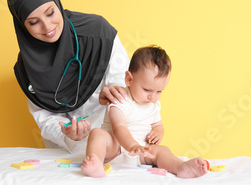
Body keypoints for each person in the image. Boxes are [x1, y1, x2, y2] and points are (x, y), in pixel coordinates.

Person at [7, 0, 128, 154]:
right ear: (22, 26)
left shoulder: (98, 34)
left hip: (112, 142)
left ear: (57, 3)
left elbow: (127, 85)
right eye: (33, 22)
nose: (47, 26)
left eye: (50, 13)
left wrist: (115, 92)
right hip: (64, 151)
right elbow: (45, 118)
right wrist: (65, 132)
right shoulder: (27, 67)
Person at [81, 45, 208, 178]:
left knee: (162, 150)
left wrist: (158, 133)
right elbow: (119, 127)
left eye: (159, 91)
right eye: (147, 90)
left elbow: (158, 125)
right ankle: (95, 162)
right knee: (98, 134)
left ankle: (181, 167)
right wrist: (132, 146)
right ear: (129, 79)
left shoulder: (153, 104)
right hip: (115, 150)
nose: (152, 96)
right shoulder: (120, 98)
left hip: (143, 152)